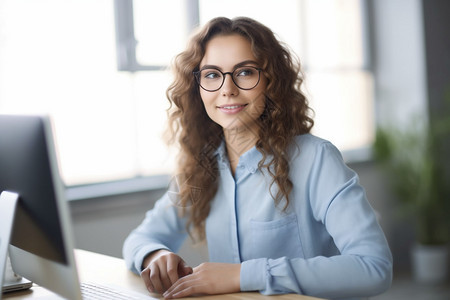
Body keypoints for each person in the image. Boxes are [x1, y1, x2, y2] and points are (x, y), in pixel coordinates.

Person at [123, 16, 392, 300]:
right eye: (212, 74)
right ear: (197, 87)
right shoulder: (202, 169)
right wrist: (156, 256)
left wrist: (241, 275)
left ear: (271, 81)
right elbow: (138, 240)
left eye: (245, 72)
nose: (227, 89)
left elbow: (373, 267)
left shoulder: (315, 159)